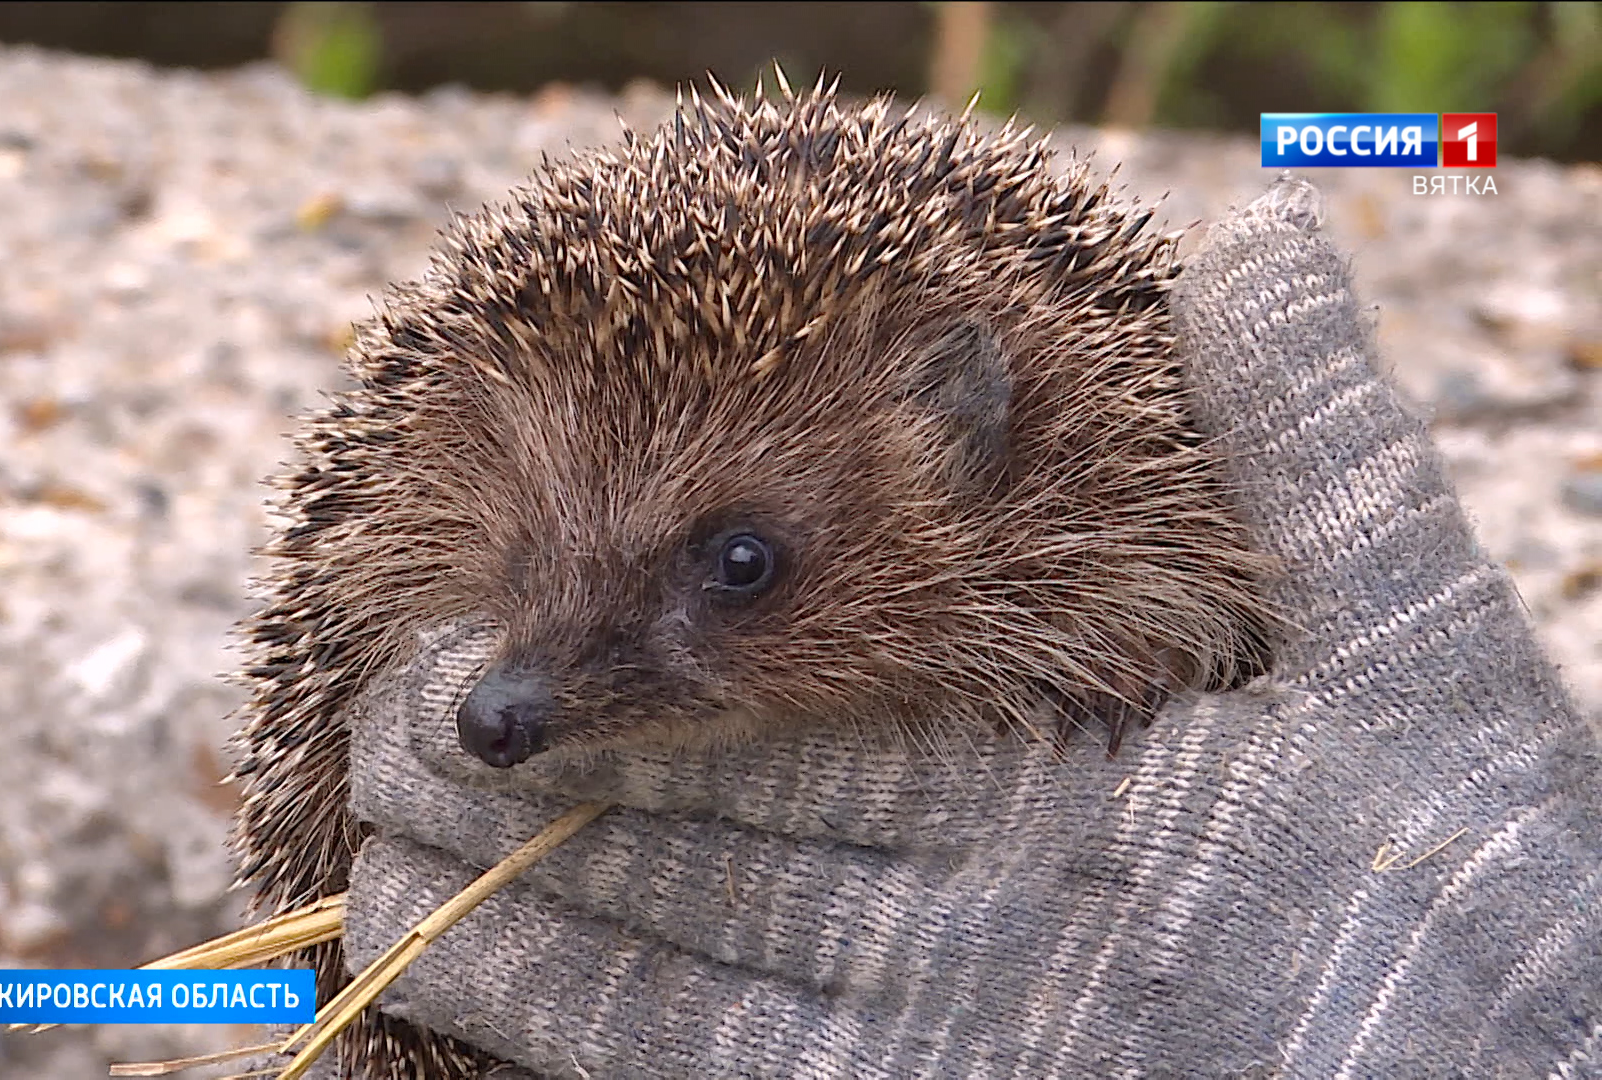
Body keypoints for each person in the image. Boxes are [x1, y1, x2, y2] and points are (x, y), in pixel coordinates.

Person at [339, 178, 1602, 1078]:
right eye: (531, 563)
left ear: (958, 435)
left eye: (737, 568)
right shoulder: (451, 503)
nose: (514, 695)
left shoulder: (1099, 536)